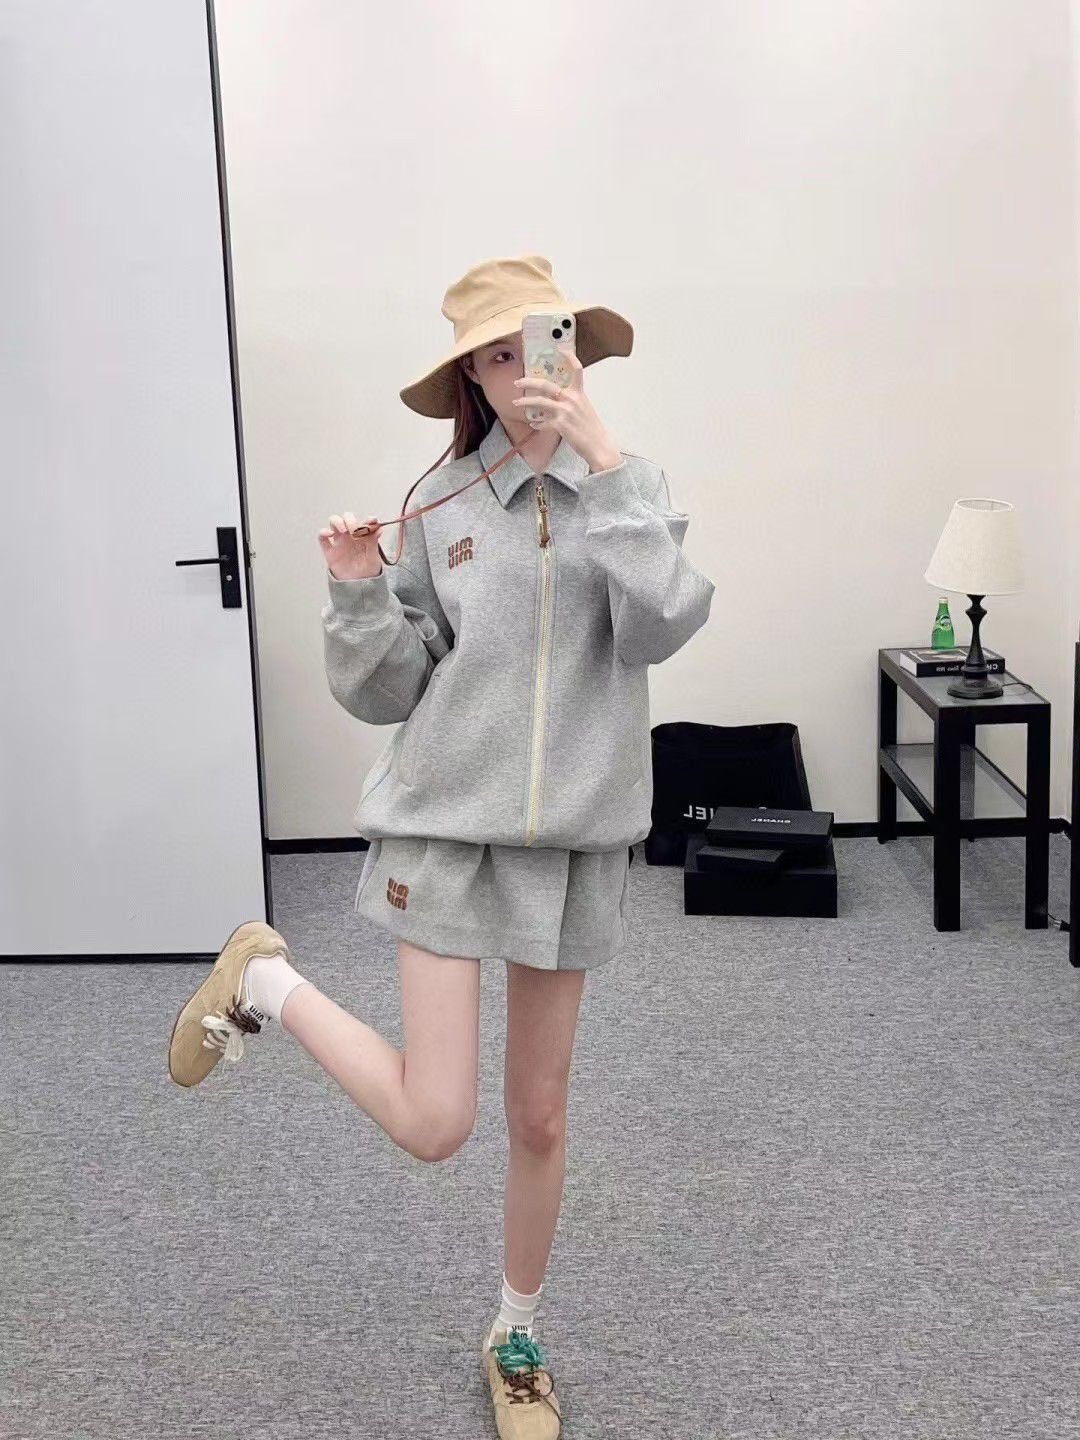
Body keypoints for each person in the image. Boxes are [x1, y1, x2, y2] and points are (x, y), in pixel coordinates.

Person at [167, 254, 715, 1437]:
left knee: (541, 1118)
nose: (523, 376)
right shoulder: (439, 507)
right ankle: (265, 980)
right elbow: (388, 691)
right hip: (444, 832)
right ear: (470, 374)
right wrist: (358, 589)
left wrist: (607, 467)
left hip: (574, 845)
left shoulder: (629, 486)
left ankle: (516, 1336)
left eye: (540, 348)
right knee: (436, 1122)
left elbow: (662, 623)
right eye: (497, 357)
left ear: (578, 351)